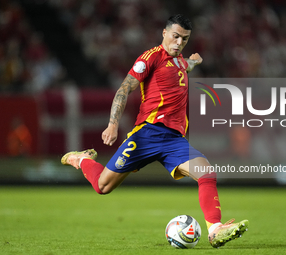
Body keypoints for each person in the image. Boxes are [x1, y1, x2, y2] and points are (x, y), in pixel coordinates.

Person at [61, 14, 248, 248]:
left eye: (185, 39)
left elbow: (183, 66)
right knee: (102, 186)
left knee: (206, 171)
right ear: (164, 33)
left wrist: (193, 62)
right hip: (147, 135)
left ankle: (215, 229)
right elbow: (123, 89)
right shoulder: (151, 58)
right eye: (175, 36)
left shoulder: (180, 61)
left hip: (173, 140)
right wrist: (112, 124)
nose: (179, 43)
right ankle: (82, 160)